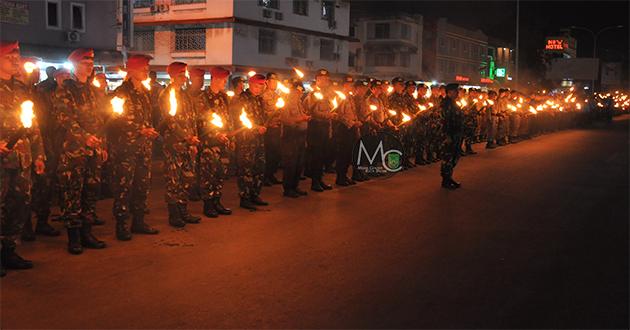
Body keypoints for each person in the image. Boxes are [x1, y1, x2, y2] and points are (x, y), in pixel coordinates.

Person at [51, 48, 107, 254]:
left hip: (93, 149)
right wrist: (85, 137)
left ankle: (87, 233)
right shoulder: (65, 90)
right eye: (85, 62)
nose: (90, 65)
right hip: (74, 150)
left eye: (91, 62)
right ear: (75, 65)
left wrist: (102, 143)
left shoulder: (93, 91)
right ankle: (74, 237)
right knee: (72, 192)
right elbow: (65, 119)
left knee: (90, 191)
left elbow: (101, 119)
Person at [0, 41, 45, 275]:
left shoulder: (21, 89)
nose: (16, 60)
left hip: (22, 158)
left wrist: (39, 154)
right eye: (10, 56)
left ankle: (9, 250)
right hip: (1, 159)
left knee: (18, 205)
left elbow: (32, 123)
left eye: (18, 56)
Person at [109, 54, 160, 241]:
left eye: (147, 68)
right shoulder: (120, 93)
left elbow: (148, 118)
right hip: (126, 149)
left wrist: (150, 130)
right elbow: (116, 121)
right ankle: (121, 225)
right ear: (131, 70)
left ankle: (138, 222)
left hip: (143, 148)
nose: (146, 71)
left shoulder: (145, 94)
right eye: (142, 68)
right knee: (124, 187)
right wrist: (140, 130)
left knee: (142, 186)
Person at [159, 62, 201, 227]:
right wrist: (186, 137)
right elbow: (171, 121)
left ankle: (184, 210)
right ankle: (174, 213)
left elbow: (192, 119)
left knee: (187, 178)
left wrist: (194, 139)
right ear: (173, 76)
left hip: (189, 144)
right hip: (174, 144)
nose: (184, 77)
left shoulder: (185, 95)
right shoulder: (166, 94)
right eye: (181, 73)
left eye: (185, 73)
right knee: (173, 180)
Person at [195, 66, 232, 217]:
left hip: (223, 142)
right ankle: (208, 204)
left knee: (220, 173)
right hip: (209, 143)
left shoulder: (224, 98)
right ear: (215, 79)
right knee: (208, 174)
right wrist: (216, 135)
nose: (225, 82)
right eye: (223, 79)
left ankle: (217, 201)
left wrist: (230, 136)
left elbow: (228, 119)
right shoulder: (202, 98)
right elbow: (202, 121)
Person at [230, 73, 268, 210]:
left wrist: (264, 125)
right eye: (258, 85)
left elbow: (263, 116)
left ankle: (254, 194)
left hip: (259, 139)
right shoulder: (241, 99)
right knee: (246, 168)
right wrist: (255, 128)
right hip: (246, 140)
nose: (260, 88)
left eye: (262, 85)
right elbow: (239, 120)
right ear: (251, 84)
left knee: (259, 167)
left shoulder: (260, 100)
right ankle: (245, 197)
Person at [303, 69, 336, 192]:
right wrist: (328, 115)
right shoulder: (313, 94)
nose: (324, 81)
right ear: (317, 80)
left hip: (325, 127)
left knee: (322, 155)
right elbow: (313, 111)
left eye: (326, 79)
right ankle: (315, 182)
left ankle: (320, 179)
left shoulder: (327, 94)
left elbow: (330, 108)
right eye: (321, 79)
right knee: (316, 156)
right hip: (316, 127)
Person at [280, 81, 310, 197]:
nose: (299, 93)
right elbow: (285, 119)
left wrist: (305, 118)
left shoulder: (299, 103)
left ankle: (295, 186)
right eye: (297, 91)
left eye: (300, 91)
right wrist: (300, 119)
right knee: (291, 163)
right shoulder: (286, 103)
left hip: (301, 135)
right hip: (291, 135)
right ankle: (288, 189)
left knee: (299, 162)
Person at [334, 76, 361, 186]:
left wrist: (356, 122)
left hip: (352, 128)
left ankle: (344, 176)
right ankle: (340, 178)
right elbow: (340, 115)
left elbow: (353, 112)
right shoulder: (339, 97)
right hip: (343, 128)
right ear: (344, 85)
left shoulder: (350, 97)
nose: (351, 86)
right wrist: (352, 123)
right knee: (343, 154)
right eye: (349, 84)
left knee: (349, 153)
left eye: (351, 84)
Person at [440, 83, 464, 190]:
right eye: (455, 91)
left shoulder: (453, 103)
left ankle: (449, 177)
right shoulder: (446, 104)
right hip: (450, 134)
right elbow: (444, 121)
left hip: (456, 133)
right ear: (449, 92)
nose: (457, 93)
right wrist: (447, 135)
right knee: (448, 158)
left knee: (455, 156)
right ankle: (446, 180)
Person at [261, 72, 283, 186]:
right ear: (267, 82)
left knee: (276, 154)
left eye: (276, 81)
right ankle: (266, 176)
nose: (274, 83)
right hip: (269, 129)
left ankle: (271, 174)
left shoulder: (278, 96)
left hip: (278, 128)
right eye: (272, 81)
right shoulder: (263, 96)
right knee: (269, 154)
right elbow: (264, 113)